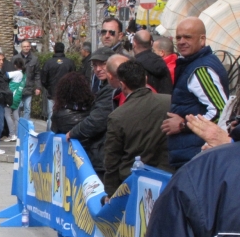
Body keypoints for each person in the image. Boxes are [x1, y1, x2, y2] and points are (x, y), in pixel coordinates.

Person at [161, 17, 229, 170]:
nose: (181, 41)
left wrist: (183, 125)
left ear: (202, 39)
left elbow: (220, 111)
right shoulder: (193, 63)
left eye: (188, 37)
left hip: (196, 156)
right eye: (178, 37)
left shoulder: (201, 69)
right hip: (190, 153)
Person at [102, 60, 171, 198]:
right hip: (166, 178)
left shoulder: (118, 116)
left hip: (132, 183)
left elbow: (112, 159)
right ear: (145, 79)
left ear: (122, 85)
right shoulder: (169, 102)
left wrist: (111, 192)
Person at [65, 51, 119, 180]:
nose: (98, 69)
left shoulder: (111, 89)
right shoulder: (104, 87)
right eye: (95, 65)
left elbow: (97, 120)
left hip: (105, 153)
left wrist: (73, 133)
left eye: (103, 64)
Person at [40, 42, 76, 131]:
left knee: (51, 115)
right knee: (66, 114)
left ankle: (50, 136)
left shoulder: (48, 63)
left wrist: (48, 87)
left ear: (55, 49)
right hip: (66, 94)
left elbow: (43, 79)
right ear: (63, 49)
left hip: (52, 93)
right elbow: (74, 78)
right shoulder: (70, 62)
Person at [132, 30, 173, 95]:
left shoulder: (134, 65)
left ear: (134, 44)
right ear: (151, 43)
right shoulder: (161, 61)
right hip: (166, 102)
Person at [11, 40, 40, 120]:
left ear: (30, 47)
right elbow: (11, 72)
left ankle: (25, 126)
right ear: (21, 47)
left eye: (28, 46)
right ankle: (18, 125)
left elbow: (37, 74)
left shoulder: (35, 59)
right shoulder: (15, 58)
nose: (26, 48)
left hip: (29, 87)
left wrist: (38, 87)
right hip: (18, 87)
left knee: (27, 108)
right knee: (18, 107)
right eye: (24, 46)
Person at [5, 58, 25, 142]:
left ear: (15, 65)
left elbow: (5, 75)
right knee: (16, 116)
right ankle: (17, 134)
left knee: (7, 114)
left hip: (11, 96)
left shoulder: (16, 73)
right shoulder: (24, 74)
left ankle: (11, 134)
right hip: (18, 96)